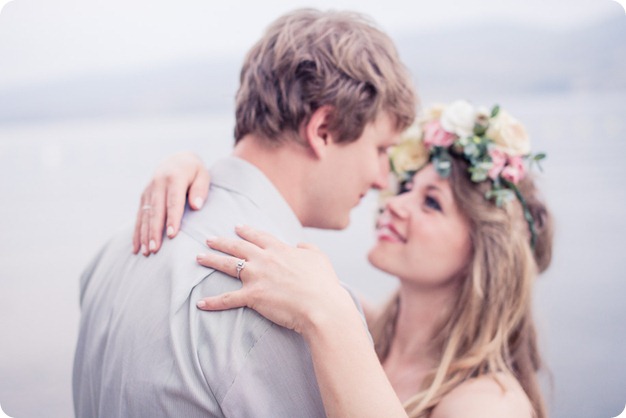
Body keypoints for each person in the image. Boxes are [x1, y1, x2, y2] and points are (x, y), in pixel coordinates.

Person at [73, 8, 416, 418]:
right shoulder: (295, 308)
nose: (382, 179)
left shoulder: (118, 248)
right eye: (380, 150)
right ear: (323, 129)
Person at [137, 100, 554, 418]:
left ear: (484, 250)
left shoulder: (490, 403)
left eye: (431, 203)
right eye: (407, 186)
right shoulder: (365, 324)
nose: (394, 203)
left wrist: (327, 314)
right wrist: (198, 175)